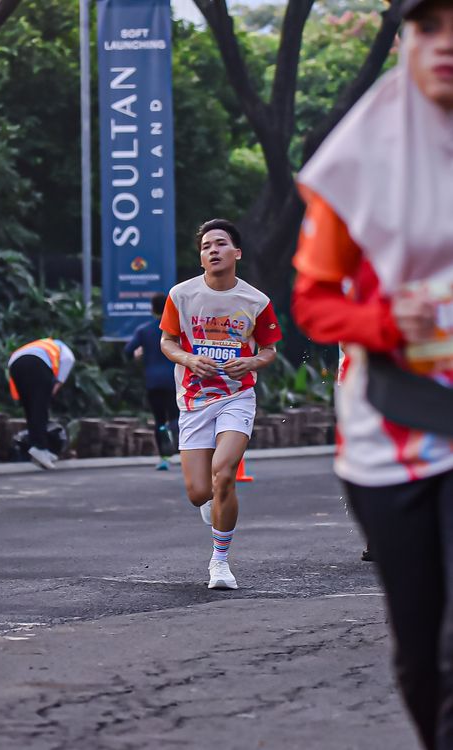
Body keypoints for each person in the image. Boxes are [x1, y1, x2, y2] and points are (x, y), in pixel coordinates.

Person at [291, 0, 453, 746]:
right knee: (420, 657)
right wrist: (386, 323)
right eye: (429, 26)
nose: (446, 44)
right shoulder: (358, 161)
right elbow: (314, 303)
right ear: (404, 42)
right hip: (391, 433)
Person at [160, 218, 282, 589]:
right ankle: (212, 503)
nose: (213, 250)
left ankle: (220, 562)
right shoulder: (181, 295)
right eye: (206, 246)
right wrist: (189, 359)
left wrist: (251, 362)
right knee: (200, 492)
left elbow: (270, 350)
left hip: (236, 396)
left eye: (221, 243)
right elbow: (167, 342)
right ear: (201, 258)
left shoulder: (256, 301)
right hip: (194, 400)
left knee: (224, 472)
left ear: (237, 252)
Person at [125, 292, 179, 470]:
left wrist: (137, 354)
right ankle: (177, 442)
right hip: (174, 380)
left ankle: (164, 458)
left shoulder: (144, 330)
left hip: (153, 381)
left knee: (159, 420)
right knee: (177, 416)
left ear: (152, 309)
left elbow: (128, 351)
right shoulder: (177, 330)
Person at [8, 337, 75, 470]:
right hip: (37, 364)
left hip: (15, 364)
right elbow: (68, 360)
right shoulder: (63, 349)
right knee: (40, 408)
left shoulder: (43, 345)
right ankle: (40, 447)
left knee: (30, 408)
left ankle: (38, 447)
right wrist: (56, 386)